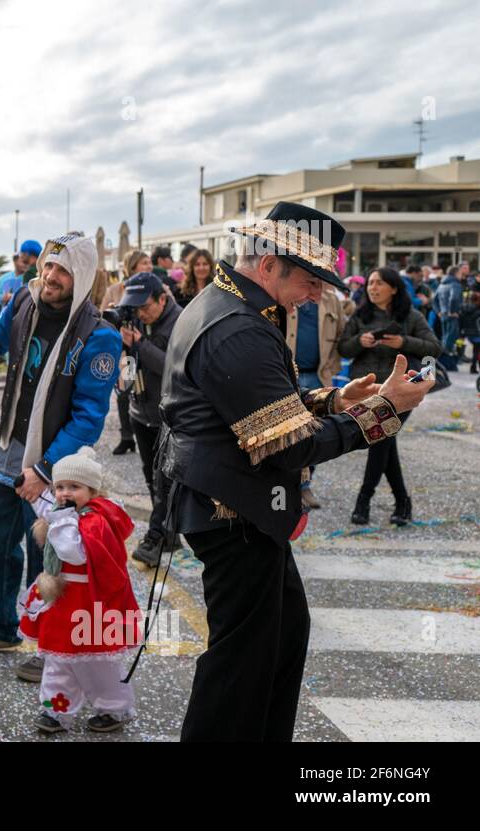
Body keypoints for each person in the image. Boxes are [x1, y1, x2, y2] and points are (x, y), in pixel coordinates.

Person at [160, 203, 434, 741]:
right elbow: (288, 446)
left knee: (280, 639)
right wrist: (385, 411)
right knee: (242, 665)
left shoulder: (232, 306)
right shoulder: (236, 326)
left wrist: (334, 400)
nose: (316, 294)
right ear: (268, 266)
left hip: (241, 507)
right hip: (233, 513)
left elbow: (251, 406)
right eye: (310, 280)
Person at [0, 231, 121, 686]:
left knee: (47, 557)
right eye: (48, 265)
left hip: (53, 468)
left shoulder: (99, 336)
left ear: (82, 276)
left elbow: (89, 417)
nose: (50, 276)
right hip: (7, 449)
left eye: (62, 270)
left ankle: (51, 647)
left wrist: (45, 471)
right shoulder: (24, 302)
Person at [18, 447, 139, 734]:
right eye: (59, 487)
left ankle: (113, 708)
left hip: (90, 601)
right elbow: (46, 510)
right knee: (58, 658)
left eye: (74, 487)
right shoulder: (67, 514)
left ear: (92, 490)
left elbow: (74, 553)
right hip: (65, 600)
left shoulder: (93, 520)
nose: (64, 493)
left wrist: (60, 521)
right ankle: (56, 711)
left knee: (98, 663)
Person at [338, 267, 441, 526]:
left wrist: (402, 342)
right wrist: (359, 342)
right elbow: (342, 348)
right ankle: (402, 502)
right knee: (384, 438)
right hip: (368, 389)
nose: (372, 288)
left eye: (379, 283)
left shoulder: (411, 316)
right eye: (370, 283)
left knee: (380, 438)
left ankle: (364, 501)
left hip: (402, 390)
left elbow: (434, 348)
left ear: (393, 288)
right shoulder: (360, 315)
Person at [114, 272, 181, 566]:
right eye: (135, 307)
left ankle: (153, 539)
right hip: (140, 412)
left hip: (169, 414)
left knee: (164, 480)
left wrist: (140, 344)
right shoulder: (136, 322)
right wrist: (125, 352)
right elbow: (127, 372)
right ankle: (170, 533)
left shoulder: (179, 321)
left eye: (145, 307)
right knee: (150, 475)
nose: (140, 313)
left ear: (162, 299)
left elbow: (172, 369)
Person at [284, 282, 347, 511]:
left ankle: (305, 484)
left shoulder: (332, 301)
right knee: (289, 434)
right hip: (288, 375)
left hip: (318, 377)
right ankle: (293, 488)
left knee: (314, 434)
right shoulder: (288, 295)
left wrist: (331, 368)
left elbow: (340, 336)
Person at [106, 249, 150, 455]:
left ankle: (149, 432)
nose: (149, 267)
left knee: (148, 389)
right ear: (132, 267)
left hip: (149, 347)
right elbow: (104, 317)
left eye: (149, 263)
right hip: (127, 351)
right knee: (126, 390)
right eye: (144, 263)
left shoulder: (156, 288)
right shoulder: (116, 289)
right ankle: (126, 436)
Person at [0, 240, 41, 312]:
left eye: (22, 253)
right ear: (14, 262)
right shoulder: (3, 278)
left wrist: (13, 297)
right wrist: (2, 298)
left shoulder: (30, 274)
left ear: (28, 254)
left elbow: (28, 297)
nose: (21, 256)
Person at [433, 265, 463, 365]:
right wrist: (452, 311)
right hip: (451, 315)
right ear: (456, 273)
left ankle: (441, 360)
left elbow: (435, 300)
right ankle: (444, 362)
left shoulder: (441, 284)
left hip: (443, 315)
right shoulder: (455, 284)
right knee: (450, 338)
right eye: (460, 274)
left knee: (445, 337)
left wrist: (439, 312)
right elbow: (453, 298)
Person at [461, 290, 480, 374]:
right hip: (477, 333)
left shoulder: (463, 308)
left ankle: (473, 367)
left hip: (467, 333)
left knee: (476, 351)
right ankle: (473, 367)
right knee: (477, 351)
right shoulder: (478, 310)